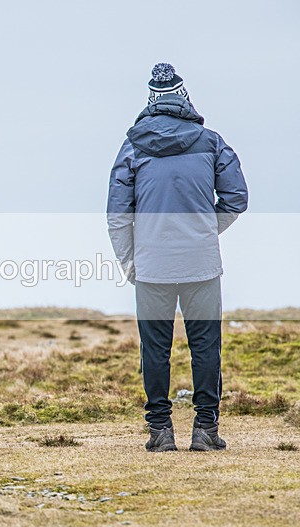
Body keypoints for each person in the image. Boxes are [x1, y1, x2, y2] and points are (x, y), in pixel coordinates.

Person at [107, 63, 248, 452]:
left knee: (155, 348)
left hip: (151, 266)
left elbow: (118, 214)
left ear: (151, 100)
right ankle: (205, 430)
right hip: (201, 263)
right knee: (206, 346)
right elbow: (237, 198)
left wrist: (129, 260)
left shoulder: (132, 146)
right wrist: (203, 229)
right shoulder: (210, 141)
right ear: (184, 97)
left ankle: (160, 433)